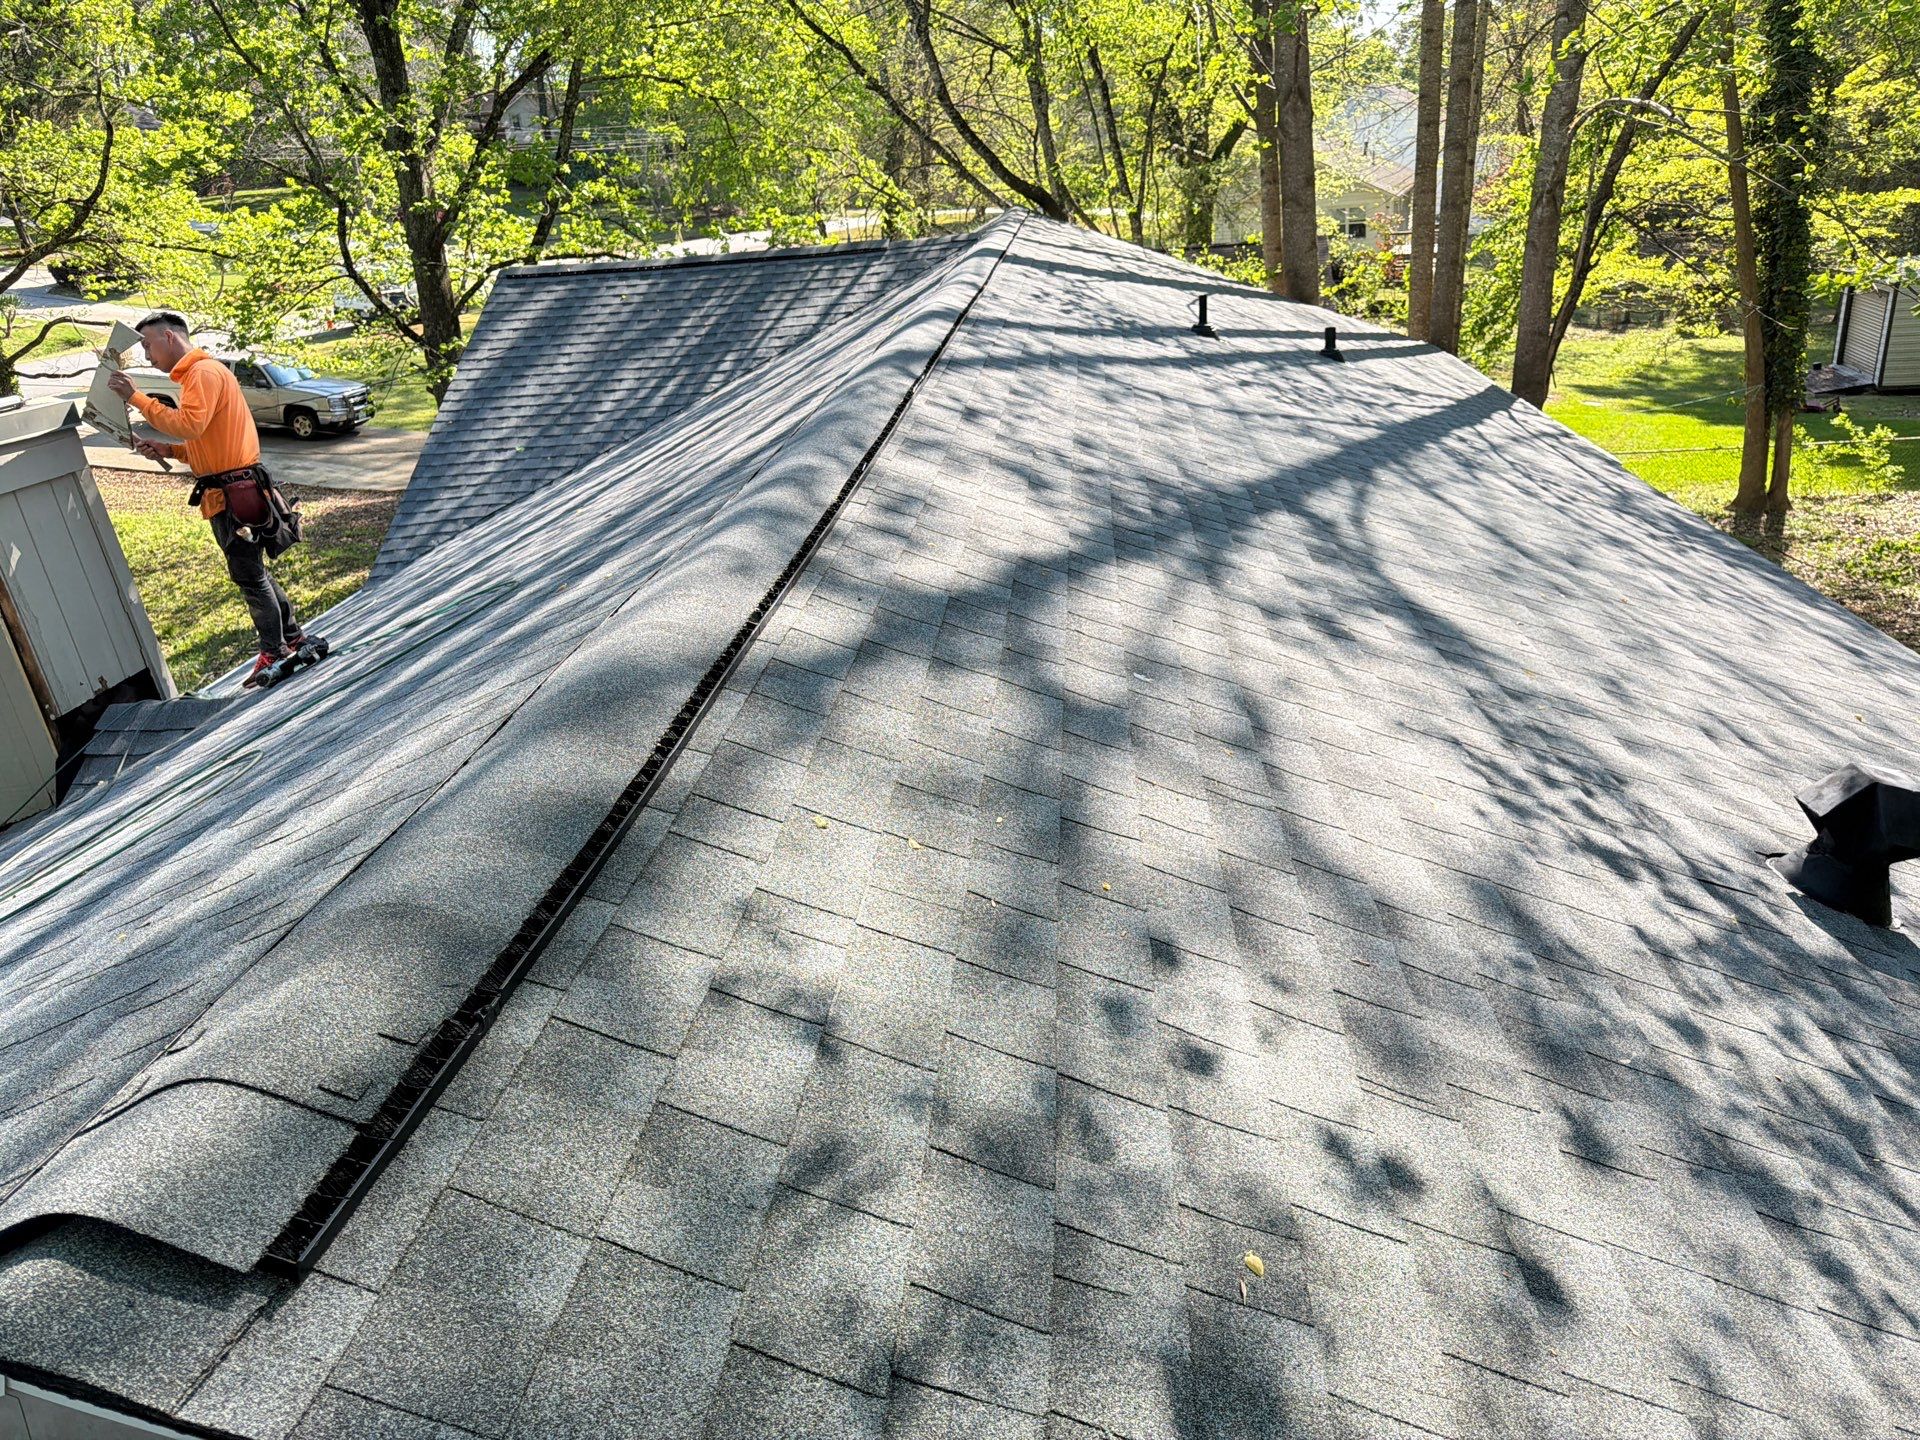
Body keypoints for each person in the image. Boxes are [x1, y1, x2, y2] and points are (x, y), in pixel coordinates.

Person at [107, 312, 306, 688]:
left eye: (147, 345)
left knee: (248, 574)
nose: (146, 355)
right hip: (233, 488)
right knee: (254, 572)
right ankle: (292, 639)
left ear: (169, 337)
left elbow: (190, 425)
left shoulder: (203, 374)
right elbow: (204, 441)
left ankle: (275, 651)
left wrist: (134, 397)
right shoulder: (203, 375)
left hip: (234, 493)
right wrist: (168, 449)